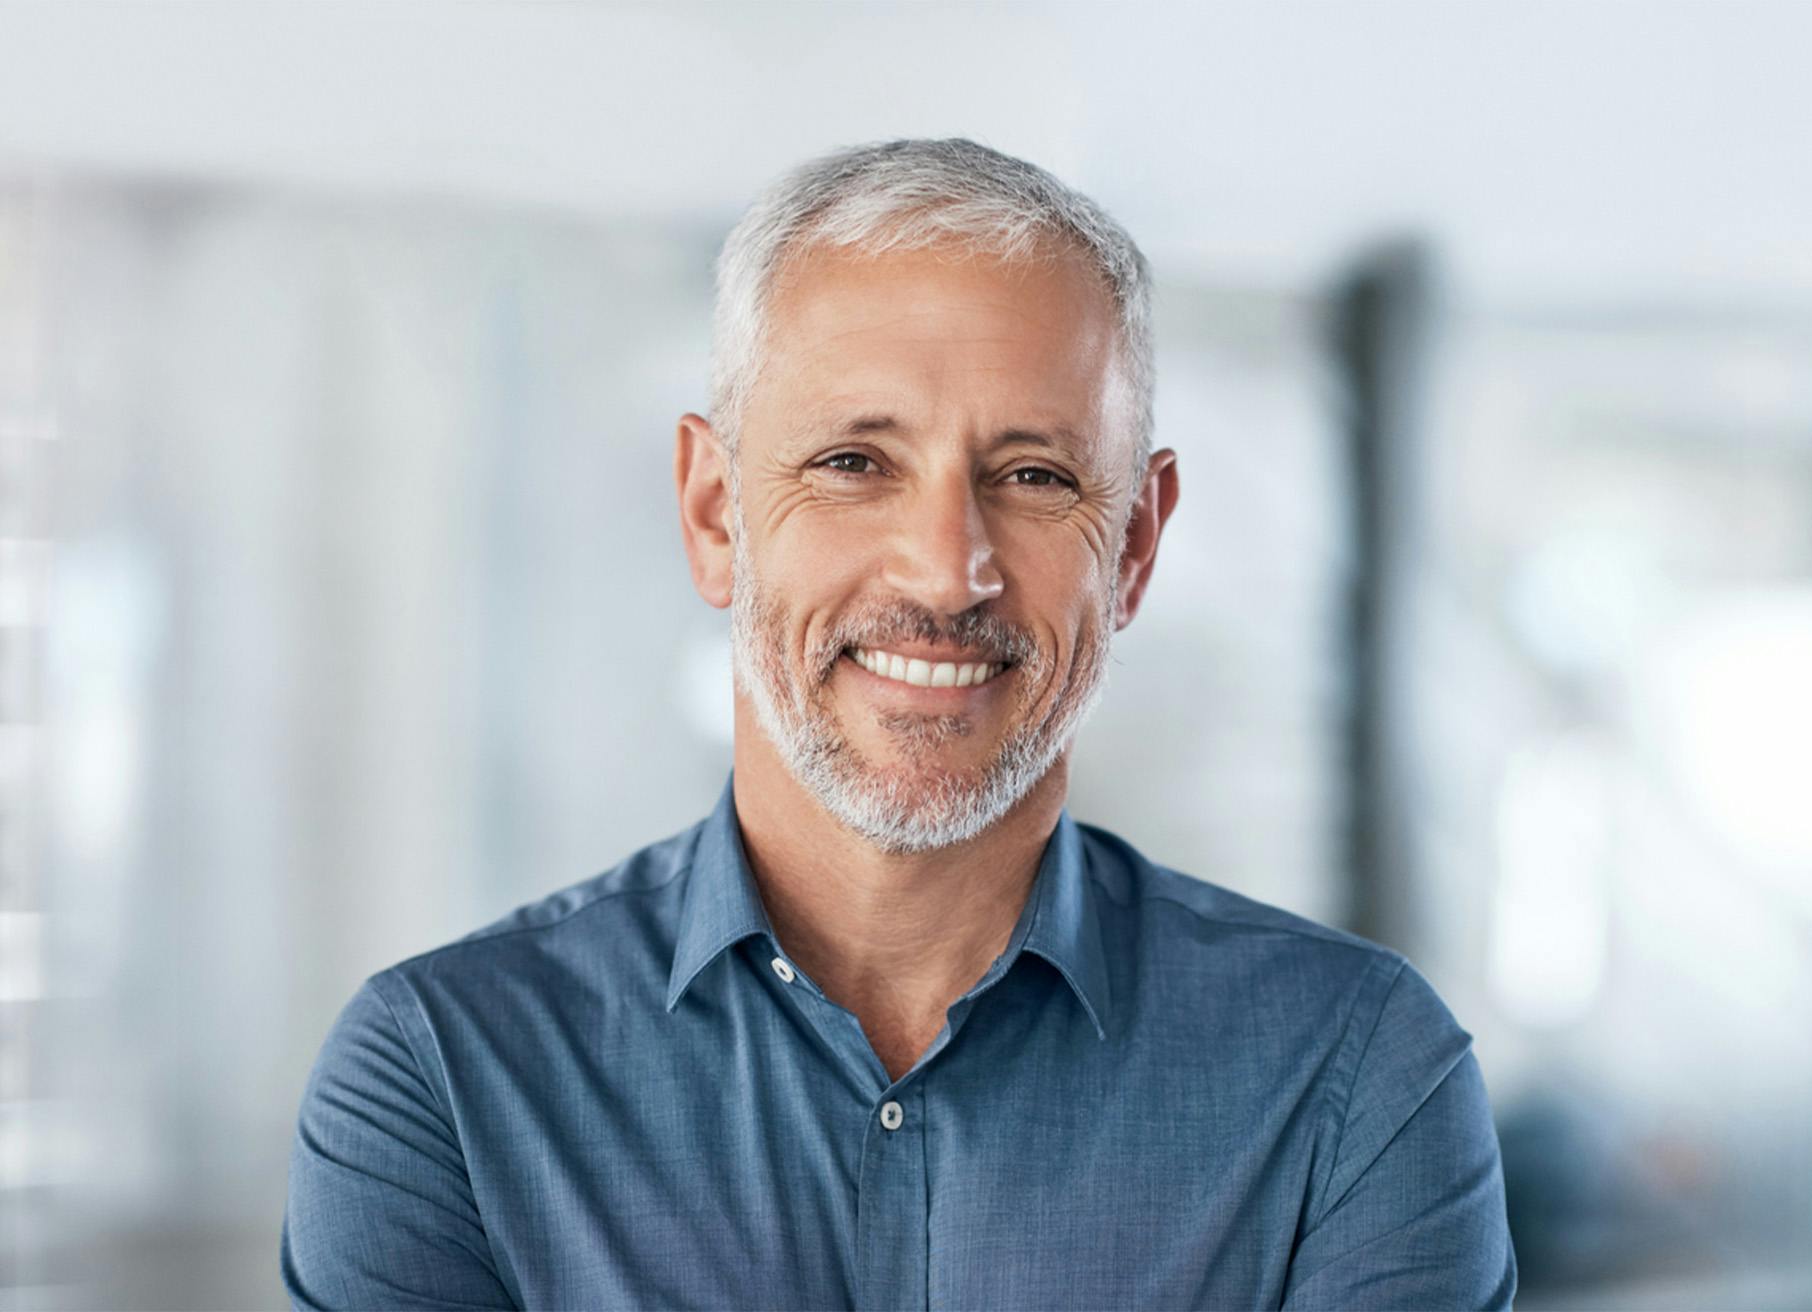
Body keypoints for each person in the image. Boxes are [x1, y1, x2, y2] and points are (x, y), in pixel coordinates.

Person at [281, 138, 1517, 1310]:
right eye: (853, 464)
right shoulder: (445, 1079)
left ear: (1134, 546)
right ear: (716, 514)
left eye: (1033, 475)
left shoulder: (1354, 1080)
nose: (944, 572)